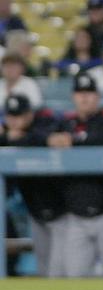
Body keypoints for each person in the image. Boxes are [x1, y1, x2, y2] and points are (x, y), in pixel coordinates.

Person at [47, 73, 103, 278]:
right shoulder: (66, 121)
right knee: (75, 274)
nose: (84, 98)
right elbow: (45, 137)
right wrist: (53, 139)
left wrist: (72, 141)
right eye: (80, 93)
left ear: (97, 96)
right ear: (74, 96)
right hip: (77, 212)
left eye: (89, 93)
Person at [0, 94, 64, 276]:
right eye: (10, 116)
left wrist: (14, 137)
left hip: (64, 210)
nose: (14, 121)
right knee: (44, 267)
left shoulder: (44, 122)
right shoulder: (6, 132)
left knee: (65, 269)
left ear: (29, 114)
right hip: (35, 211)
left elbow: (47, 138)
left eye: (19, 115)